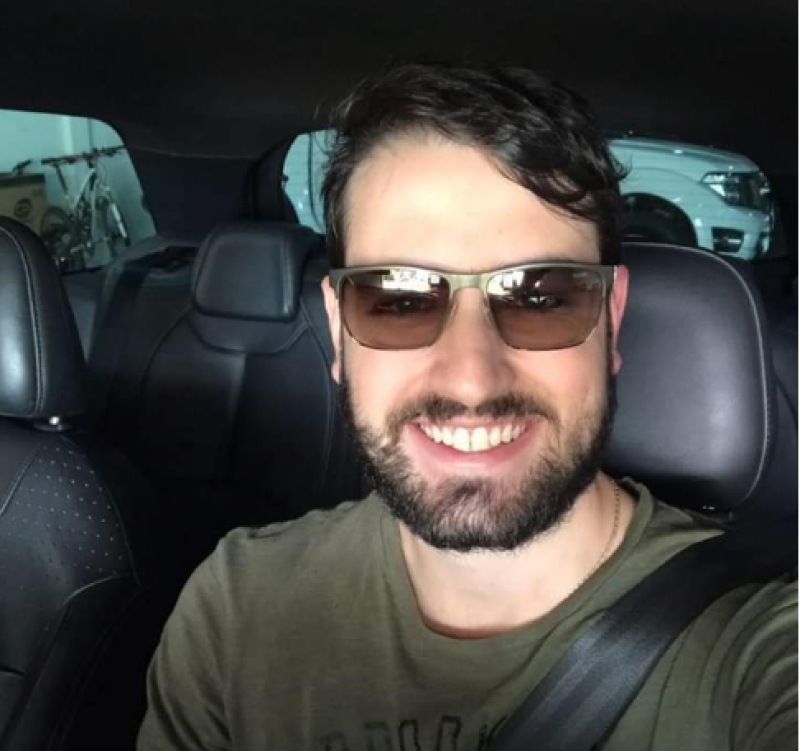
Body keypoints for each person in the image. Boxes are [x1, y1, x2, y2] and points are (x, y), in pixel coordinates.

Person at [137, 63, 796, 751]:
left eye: (540, 297)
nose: (472, 380)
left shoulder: (755, 641)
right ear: (338, 331)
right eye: (399, 299)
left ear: (611, 317)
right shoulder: (238, 607)